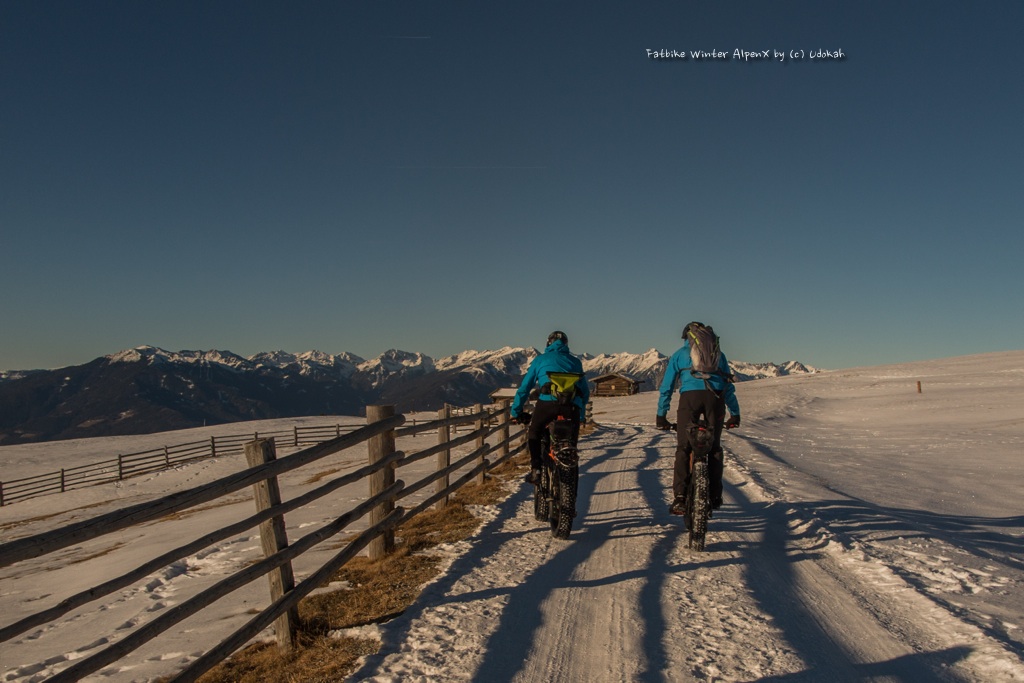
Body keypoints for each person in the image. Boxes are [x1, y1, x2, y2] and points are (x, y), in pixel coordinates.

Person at [656, 322, 740, 515]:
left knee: (684, 447)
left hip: (690, 400)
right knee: (715, 448)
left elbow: (667, 387)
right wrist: (735, 413)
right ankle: (715, 496)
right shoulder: (718, 355)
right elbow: (728, 386)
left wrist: (661, 415)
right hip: (715, 399)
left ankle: (680, 497)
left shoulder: (680, 355)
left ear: (687, 337)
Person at [510, 331, 590, 483]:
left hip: (547, 404)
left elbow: (525, 388)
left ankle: (536, 469)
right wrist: (580, 415)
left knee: (534, 431)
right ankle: (569, 502)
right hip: (570, 408)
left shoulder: (540, 360)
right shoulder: (575, 362)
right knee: (571, 450)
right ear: (566, 345)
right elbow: (584, 393)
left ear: (548, 344)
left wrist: (516, 411)